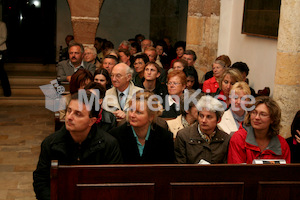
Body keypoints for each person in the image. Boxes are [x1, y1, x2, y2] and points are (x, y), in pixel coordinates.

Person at [33, 91, 122, 200]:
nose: (69, 117)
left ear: (91, 121)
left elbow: (113, 184)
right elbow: (41, 181)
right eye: (69, 111)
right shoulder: (51, 143)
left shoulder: (109, 144)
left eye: (77, 114)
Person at [109, 90, 175, 164]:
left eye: (138, 112)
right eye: (131, 110)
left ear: (151, 116)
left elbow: (168, 170)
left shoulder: (165, 137)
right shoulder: (116, 135)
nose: (132, 115)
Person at [228, 96, 291, 164]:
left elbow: (286, 172)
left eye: (263, 114)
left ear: (273, 119)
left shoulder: (282, 144)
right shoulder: (239, 138)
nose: (257, 117)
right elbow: (235, 171)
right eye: (254, 113)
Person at [174, 95, 230, 164]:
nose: (203, 120)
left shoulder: (225, 139)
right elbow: (180, 168)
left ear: (218, 120)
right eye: (201, 116)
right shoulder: (183, 136)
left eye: (209, 117)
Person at [0, 21, 11, 97]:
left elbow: (4, 38)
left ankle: (7, 92)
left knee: (1, 71)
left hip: (0, 50)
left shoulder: (2, 24)